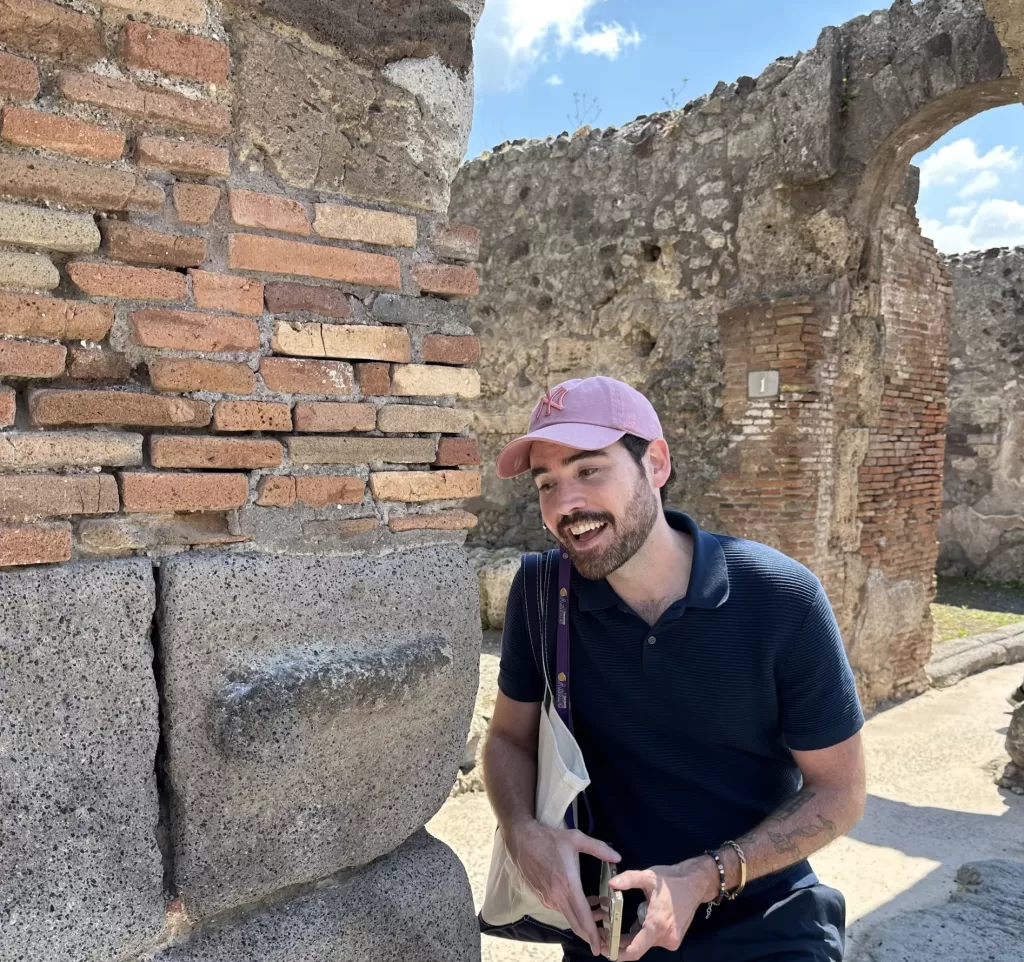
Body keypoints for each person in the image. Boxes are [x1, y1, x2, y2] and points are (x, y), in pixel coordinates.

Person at [482, 376, 866, 962]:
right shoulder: (541, 592)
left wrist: (700, 879)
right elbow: (509, 739)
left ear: (655, 463)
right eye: (546, 483)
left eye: (589, 471)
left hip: (764, 921)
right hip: (611, 933)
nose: (565, 505)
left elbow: (839, 791)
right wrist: (524, 832)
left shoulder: (781, 596)